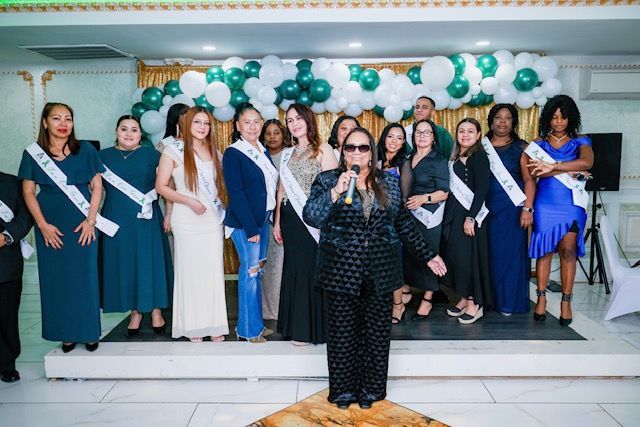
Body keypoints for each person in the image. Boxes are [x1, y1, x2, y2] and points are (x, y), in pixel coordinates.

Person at [303, 127, 447, 410]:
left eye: (363, 148)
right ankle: (343, 391)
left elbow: (403, 223)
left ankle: (371, 389)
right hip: (340, 270)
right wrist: (336, 192)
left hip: (381, 270)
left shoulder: (389, 184)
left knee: (376, 334)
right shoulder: (327, 180)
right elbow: (312, 217)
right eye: (350, 148)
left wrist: (429, 255)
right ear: (343, 152)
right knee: (343, 334)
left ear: (372, 153)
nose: (356, 152)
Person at [19, 102, 107, 353]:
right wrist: (43, 225)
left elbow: (97, 186)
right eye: (56, 118)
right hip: (50, 222)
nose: (63, 124)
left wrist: (91, 220)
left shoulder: (86, 150)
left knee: (85, 278)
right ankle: (65, 333)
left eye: (68, 118)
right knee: (57, 280)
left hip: (83, 222)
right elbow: (28, 191)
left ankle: (89, 332)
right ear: (45, 122)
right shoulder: (33, 153)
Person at [156, 106, 228, 343]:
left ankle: (215, 324)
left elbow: (221, 187)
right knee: (189, 272)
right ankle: (192, 326)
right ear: (187, 124)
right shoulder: (172, 150)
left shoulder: (214, 151)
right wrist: (189, 201)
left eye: (206, 124)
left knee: (212, 272)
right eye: (197, 122)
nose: (202, 128)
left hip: (211, 220)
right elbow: (162, 187)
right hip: (186, 218)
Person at [99, 115, 173, 336]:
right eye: (124, 129)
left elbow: (166, 185)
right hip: (116, 219)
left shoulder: (153, 156)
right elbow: (94, 189)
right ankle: (135, 313)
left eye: (134, 130)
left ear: (141, 134)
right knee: (126, 265)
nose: (129, 134)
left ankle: (156, 310)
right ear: (116, 131)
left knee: (150, 263)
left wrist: (169, 213)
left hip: (146, 218)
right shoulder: (102, 157)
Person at [274, 104, 338, 345]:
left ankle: (313, 329)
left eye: (298, 118)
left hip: (313, 220)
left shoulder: (323, 150)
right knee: (294, 270)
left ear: (308, 120)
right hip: (290, 219)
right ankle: (295, 326)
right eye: (290, 120)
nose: (294, 123)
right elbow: (281, 189)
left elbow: (334, 190)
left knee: (312, 270)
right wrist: (278, 221)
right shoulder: (288, 153)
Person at [527, 95, 594, 327]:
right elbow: (535, 173)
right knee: (544, 251)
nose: (559, 122)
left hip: (571, 203)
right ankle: (541, 298)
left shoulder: (581, 141)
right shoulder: (538, 144)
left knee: (568, 250)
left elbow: (586, 163)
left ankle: (566, 302)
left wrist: (553, 166)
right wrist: (567, 169)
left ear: (570, 118)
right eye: (554, 117)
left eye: (563, 117)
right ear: (548, 118)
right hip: (545, 202)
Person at [223, 103, 279, 343]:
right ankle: (246, 330)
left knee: (258, 273)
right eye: (247, 122)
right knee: (250, 272)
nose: (253, 126)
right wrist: (250, 227)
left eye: (257, 121)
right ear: (238, 125)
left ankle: (256, 323)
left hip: (263, 219)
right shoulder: (234, 153)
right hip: (247, 224)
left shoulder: (261, 149)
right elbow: (236, 192)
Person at [484, 104, 536, 315]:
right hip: (486, 209)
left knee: (512, 256)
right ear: (491, 121)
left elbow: (529, 180)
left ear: (514, 122)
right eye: (498, 117)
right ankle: (488, 301)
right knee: (489, 256)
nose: (502, 122)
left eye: (507, 118)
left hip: (513, 210)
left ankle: (509, 302)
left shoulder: (522, 147)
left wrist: (528, 209)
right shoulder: (481, 145)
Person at [396, 119, 449, 323]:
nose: (422, 136)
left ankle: (428, 297)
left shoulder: (439, 160)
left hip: (429, 215)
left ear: (434, 137)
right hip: (409, 215)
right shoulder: (408, 157)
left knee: (429, 255)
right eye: (419, 132)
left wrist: (423, 199)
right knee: (410, 254)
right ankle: (407, 290)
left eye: (427, 133)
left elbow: (444, 192)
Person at [443, 118, 492, 324]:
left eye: (470, 131)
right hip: (455, 215)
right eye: (461, 131)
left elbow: (482, 190)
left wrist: (470, 218)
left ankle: (475, 302)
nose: (465, 135)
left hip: (471, 217)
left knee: (471, 259)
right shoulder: (455, 157)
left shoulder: (480, 157)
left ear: (479, 134)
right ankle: (463, 296)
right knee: (458, 259)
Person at [0, 171, 33, 382]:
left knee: (6, 315)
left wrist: (6, 236)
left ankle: (6, 363)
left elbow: (26, 215)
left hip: (5, 260)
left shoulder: (11, 182)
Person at [260, 119, 288, 320]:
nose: (272, 137)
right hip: (264, 218)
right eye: (268, 133)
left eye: (276, 132)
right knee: (267, 266)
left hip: (285, 218)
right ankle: (269, 310)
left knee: (283, 265)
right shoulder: (259, 155)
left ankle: (283, 308)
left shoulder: (289, 155)